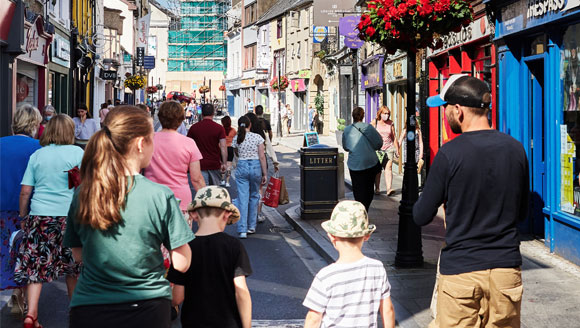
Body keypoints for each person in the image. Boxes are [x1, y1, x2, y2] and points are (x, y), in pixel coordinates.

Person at [414, 75, 529, 328]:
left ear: (458, 109)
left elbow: (421, 215)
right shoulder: (516, 149)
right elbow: (522, 214)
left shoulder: (449, 154)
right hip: (506, 272)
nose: (445, 115)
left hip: (462, 272)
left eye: (445, 109)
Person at [64, 106, 194, 328]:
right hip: (147, 307)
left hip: (90, 305)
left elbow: (78, 254)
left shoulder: (84, 191)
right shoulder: (160, 196)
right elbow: (181, 262)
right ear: (141, 143)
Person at [15, 114, 84, 328]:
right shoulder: (77, 153)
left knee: (36, 267)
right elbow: (82, 187)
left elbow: (26, 190)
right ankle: (75, 314)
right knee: (73, 268)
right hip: (69, 218)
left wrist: (23, 215)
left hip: (40, 216)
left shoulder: (38, 155)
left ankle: (31, 314)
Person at [168, 186, 252, 328]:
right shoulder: (234, 246)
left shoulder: (185, 248)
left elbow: (177, 297)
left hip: (193, 322)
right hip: (228, 323)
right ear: (226, 215)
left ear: (194, 215)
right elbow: (241, 291)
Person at [303, 200, 395, 328]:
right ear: (367, 236)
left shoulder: (326, 276)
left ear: (331, 237)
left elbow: (314, 318)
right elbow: (387, 310)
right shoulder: (377, 268)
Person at [0, 105, 42, 316]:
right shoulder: (39, 148)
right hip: (29, 209)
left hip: (2, 207)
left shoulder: (0, 145)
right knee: (27, 253)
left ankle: (14, 290)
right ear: (34, 124)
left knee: (6, 253)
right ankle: (22, 291)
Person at [144, 101, 206, 226]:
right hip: (180, 200)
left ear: (160, 118)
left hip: (152, 200)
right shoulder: (189, 143)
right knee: (180, 244)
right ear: (181, 120)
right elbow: (196, 179)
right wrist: (205, 203)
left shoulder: (147, 140)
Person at [342, 107, 383, 211]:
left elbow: (345, 147)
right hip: (369, 162)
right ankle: (365, 209)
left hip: (354, 163)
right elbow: (379, 143)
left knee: (357, 188)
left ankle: (360, 209)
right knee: (369, 188)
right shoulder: (368, 128)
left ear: (353, 116)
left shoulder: (347, 130)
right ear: (363, 115)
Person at [232, 116, 267, 239]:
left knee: (243, 198)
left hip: (242, 166)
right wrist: (265, 173)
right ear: (250, 125)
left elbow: (236, 153)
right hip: (255, 166)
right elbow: (262, 156)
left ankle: (242, 229)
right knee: (254, 196)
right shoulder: (257, 137)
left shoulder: (237, 138)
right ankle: (252, 226)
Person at [246, 110, 279, 223]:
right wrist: (275, 162)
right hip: (260, 164)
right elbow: (269, 148)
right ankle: (258, 214)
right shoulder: (261, 134)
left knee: (247, 190)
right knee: (259, 190)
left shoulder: (242, 135)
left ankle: (248, 213)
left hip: (245, 164)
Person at [187, 103, 228, 186]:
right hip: (214, 164)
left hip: (199, 164)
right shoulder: (219, 128)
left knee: (203, 192)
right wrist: (224, 163)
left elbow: (188, 146)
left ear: (202, 113)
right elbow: (223, 147)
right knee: (215, 192)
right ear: (213, 113)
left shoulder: (194, 128)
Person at [372, 106, 400, 196]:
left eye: (388, 113)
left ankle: (389, 188)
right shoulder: (375, 122)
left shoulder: (391, 123)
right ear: (380, 113)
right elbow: (369, 134)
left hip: (389, 147)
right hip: (378, 149)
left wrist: (397, 149)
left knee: (389, 167)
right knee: (378, 169)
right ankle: (377, 188)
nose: (386, 115)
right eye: (385, 113)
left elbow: (394, 137)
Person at [398, 120, 424, 185]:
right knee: (407, 169)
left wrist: (421, 153)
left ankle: (414, 184)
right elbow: (400, 141)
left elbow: (420, 142)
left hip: (416, 152)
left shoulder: (418, 131)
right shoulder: (405, 131)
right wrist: (397, 150)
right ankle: (407, 183)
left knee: (415, 169)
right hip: (407, 152)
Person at [221, 116, 237, 187]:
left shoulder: (221, 129)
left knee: (222, 164)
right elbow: (236, 140)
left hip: (222, 148)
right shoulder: (233, 131)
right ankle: (227, 181)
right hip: (230, 148)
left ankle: (222, 180)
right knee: (229, 166)